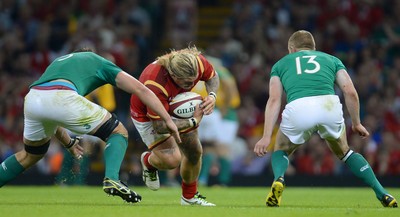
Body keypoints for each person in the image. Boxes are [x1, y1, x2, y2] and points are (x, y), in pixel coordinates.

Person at [0, 48, 181, 204]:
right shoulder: (99, 61)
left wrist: (69, 143)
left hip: (33, 98)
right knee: (118, 131)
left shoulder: (58, 62)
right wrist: (168, 119)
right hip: (62, 96)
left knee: (30, 155)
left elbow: (50, 111)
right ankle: (112, 179)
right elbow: (141, 89)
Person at [254, 30, 398, 208]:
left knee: (281, 149)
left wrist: (267, 135)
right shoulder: (331, 59)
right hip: (328, 105)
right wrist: (356, 122)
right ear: (313, 48)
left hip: (299, 107)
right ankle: (381, 192)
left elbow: (274, 99)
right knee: (345, 152)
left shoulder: (280, 64)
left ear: (291, 49)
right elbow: (350, 91)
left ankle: (279, 179)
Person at [130, 46, 219, 206]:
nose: (191, 84)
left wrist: (212, 96)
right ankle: (149, 162)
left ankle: (189, 198)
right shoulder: (154, 83)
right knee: (172, 160)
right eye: (186, 82)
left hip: (176, 106)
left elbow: (213, 76)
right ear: (173, 75)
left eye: (194, 81)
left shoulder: (197, 62)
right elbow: (160, 126)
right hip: (148, 115)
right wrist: (193, 121)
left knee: (194, 152)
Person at [192, 55, 241, 186]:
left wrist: (225, 107)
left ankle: (223, 181)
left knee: (222, 147)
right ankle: (203, 179)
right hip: (215, 111)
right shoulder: (214, 72)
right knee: (209, 147)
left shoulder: (219, 70)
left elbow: (229, 86)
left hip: (225, 114)